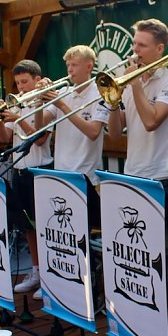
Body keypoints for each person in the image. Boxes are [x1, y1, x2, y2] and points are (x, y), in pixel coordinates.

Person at [107, 18, 168, 336]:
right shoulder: (131, 84)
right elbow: (115, 133)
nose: (135, 51)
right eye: (134, 44)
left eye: (141, 45)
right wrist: (114, 101)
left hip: (162, 178)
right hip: (133, 177)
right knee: (138, 250)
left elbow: (153, 120)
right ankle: (143, 309)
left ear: (159, 48)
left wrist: (135, 87)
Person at [0, 60, 53, 299]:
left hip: (40, 169)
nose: (20, 88)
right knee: (28, 227)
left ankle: (50, 278)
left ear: (37, 80)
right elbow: (4, 138)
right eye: (17, 83)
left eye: (25, 82)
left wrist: (16, 117)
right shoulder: (17, 105)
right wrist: (1, 119)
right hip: (19, 170)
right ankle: (36, 272)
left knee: (43, 227)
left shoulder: (46, 103)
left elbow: (39, 140)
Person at [35, 44, 109, 227]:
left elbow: (93, 132)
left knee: (88, 231)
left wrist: (62, 106)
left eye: (74, 65)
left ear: (89, 66)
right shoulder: (63, 93)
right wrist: (38, 101)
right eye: (68, 65)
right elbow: (39, 126)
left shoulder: (100, 93)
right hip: (62, 175)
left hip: (87, 178)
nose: (69, 70)